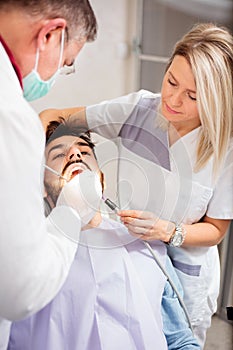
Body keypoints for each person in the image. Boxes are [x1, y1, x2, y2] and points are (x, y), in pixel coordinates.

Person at [40, 23, 233, 348]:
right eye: (171, 80)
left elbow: (216, 229)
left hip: (183, 273)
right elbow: (54, 115)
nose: (171, 99)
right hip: (128, 242)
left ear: (215, 100)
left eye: (192, 96)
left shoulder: (226, 147)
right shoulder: (139, 109)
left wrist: (168, 231)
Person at [7, 117, 200, 350]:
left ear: (102, 180)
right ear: (42, 189)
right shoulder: (25, 256)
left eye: (85, 152)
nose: (75, 155)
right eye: (59, 155)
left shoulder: (148, 247)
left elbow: (180, 341)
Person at [0, 0, 97, 347]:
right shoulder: (11, 117)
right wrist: (70, 212)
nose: (74, 155)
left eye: (85, 151)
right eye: (66, 63)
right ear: (51, 34)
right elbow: (20, 293)